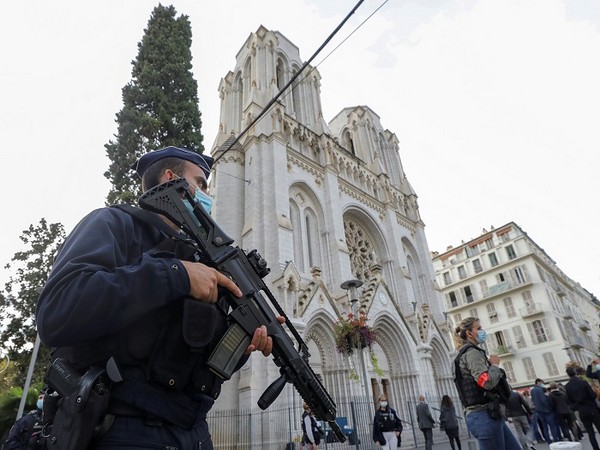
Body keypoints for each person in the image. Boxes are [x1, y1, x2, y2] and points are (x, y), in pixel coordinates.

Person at [36, 146, 283, 449]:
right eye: (201, 183)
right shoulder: (115, 224)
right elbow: (57, 311)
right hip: (122, 428)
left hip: (194, 434)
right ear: (171, 178)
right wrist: (177, 275)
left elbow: (199, 362)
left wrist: (244, 341)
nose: (208, 194)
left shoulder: (202, 261)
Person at [452, 317, 520, 450]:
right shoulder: (472, 353)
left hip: (489, 413)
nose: (483, 331)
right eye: (479, 328)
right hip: (483, 415)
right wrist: (494, 365)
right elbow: (486, 382)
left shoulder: (468, 353)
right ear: (469, 333)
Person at [565, 365, 600, 450]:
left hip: (581, 410)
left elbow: (570, 401)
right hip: (591, 407)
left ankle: (596, 448)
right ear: (576, 373)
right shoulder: (583, 382)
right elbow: (592, 395)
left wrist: (577, 406)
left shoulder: (567, 386)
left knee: (590, 433)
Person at [530, 378, 561, 443]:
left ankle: (548, 440)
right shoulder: (540, 390)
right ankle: (555, 439)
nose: (542, 384)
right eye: (541, 382)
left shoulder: (532, 390)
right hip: (546, 411)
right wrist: (549, 407)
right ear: (538, 382)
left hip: (539, 411)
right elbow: (543, 400)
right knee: (552, 426)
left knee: (544, 427)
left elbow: (533, 400)